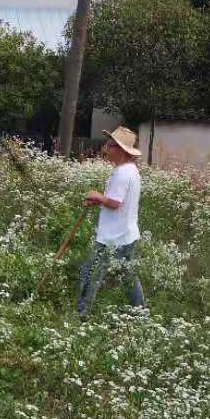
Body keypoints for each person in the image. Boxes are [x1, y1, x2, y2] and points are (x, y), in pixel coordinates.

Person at [77, 126, 146, 319]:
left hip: (113, 238)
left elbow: (115, 203)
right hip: (126, 234)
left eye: (110, 145)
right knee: (128, 276)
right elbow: (117, 201)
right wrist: (99, 200)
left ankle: (82, 315)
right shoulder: (130, 170)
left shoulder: (122, 173)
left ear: (122, 150)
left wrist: (97, 195)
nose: (106, 148)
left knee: (89, 273)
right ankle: (141, 314)